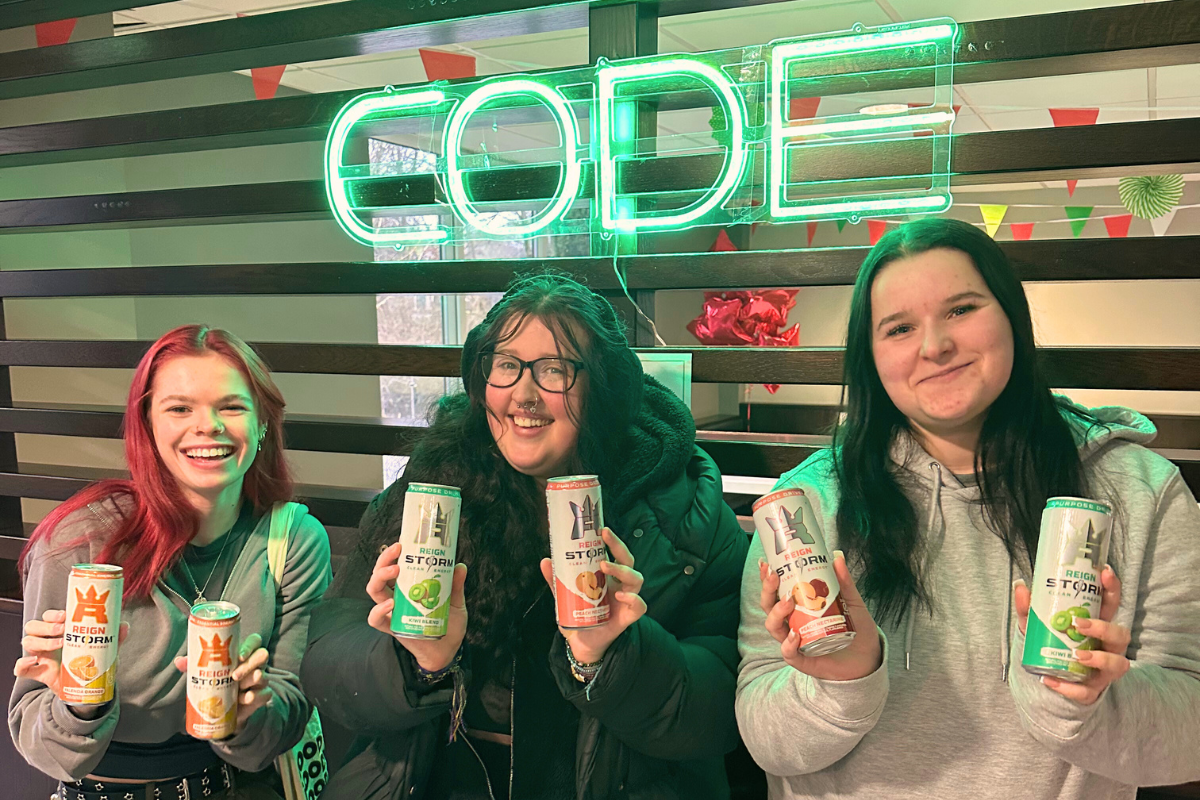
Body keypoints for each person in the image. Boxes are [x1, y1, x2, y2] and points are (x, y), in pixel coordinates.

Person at [736, 217, 1200, 799]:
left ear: (1011, 315)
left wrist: (1086, 700)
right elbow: (763, 738)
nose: (935, 346)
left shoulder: (1139, 491)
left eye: (960, 310)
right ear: (870, 356)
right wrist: (841, 681)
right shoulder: (809, 504)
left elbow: (1189, 731)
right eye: (899, 328)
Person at [303, 274, 749, 800]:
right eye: (507, 365)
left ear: (602, 384)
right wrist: (413, 661)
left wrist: (612, 658)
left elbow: (722, 712)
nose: (524, 394)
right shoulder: (431, 488)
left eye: (555, 369)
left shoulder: (685, 514)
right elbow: (327, 666)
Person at [10, 325, 332, 800]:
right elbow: (42, 748)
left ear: (262, 422)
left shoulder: (295, 540)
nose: (209, 426)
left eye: (232, 407)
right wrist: (77, 701)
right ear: (148, 424)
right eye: (180, 408)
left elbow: (280, 723)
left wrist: (247, 713)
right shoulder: (79, 540)